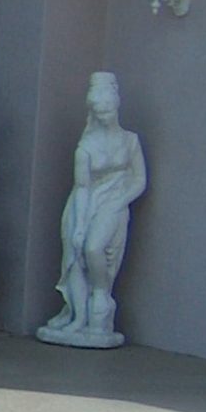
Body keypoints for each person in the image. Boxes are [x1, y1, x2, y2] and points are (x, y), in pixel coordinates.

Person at [38, 71, 147, 348]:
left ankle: (101, 297)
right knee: (75, 253)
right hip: (84, 204)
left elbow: (139, 180)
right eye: (100, 111)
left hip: (114, 203)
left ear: (116, 105)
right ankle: (78, 317)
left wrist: (121, 200)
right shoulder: (85, 147)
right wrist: (79, 225)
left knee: (94, 248)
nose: (105, 114)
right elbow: (83, 188)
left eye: (108, 108)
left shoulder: (130, 141)